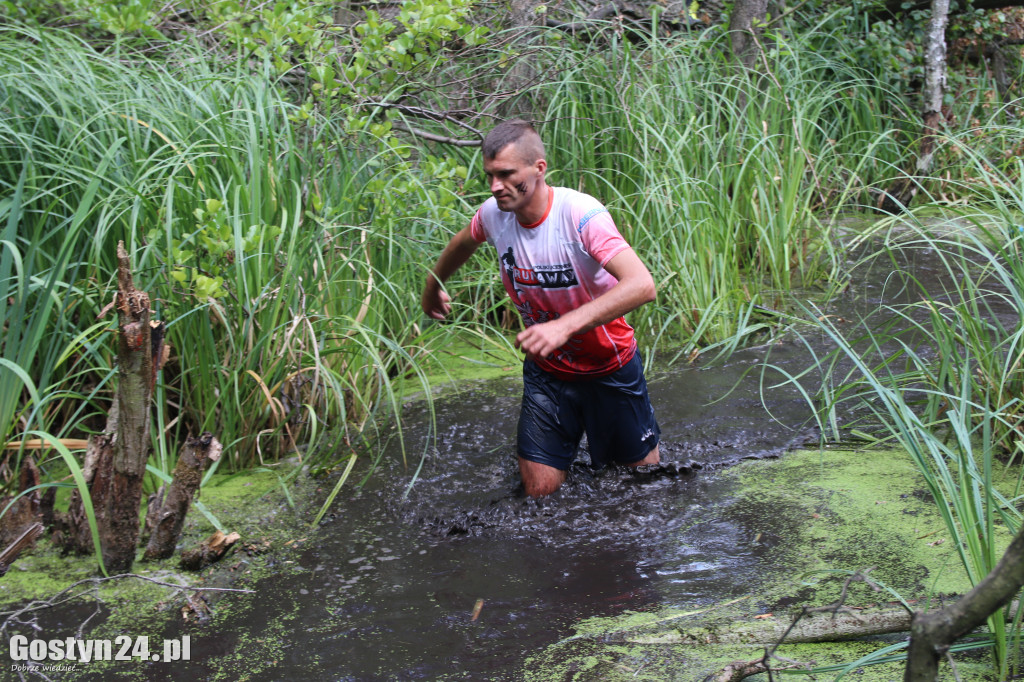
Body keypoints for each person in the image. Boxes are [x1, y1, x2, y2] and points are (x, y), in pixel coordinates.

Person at [421, 119, 661, 497]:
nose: (495, 186)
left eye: (505, 174)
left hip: (609, 369)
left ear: (538, 168)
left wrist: (564, 326)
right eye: (490, 176)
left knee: (640, 492)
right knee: (539, 498)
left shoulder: (580, 216)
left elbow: (642, 284)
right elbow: (463, 243)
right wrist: (433, 286)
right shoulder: (493, 215)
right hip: (547, 374)